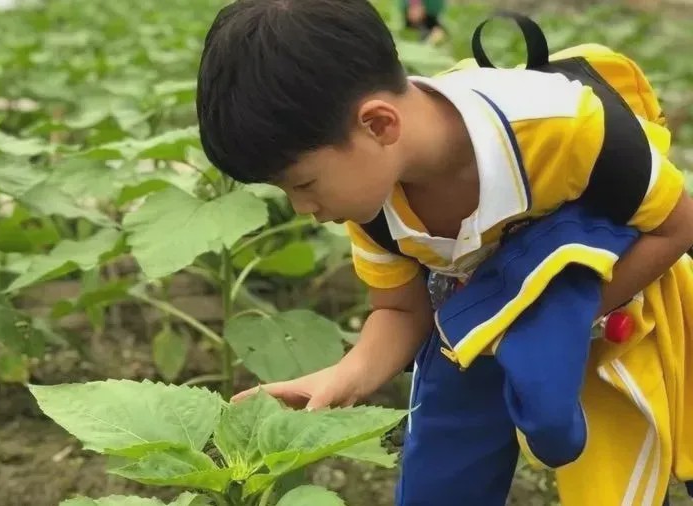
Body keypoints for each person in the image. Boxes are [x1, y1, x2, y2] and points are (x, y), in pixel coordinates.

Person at [195, 1, 693, 504]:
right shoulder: (375, 203)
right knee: (444, 475)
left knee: (608, 481)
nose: (303, 207)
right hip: (473, 311)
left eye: (302, 183)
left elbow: (676, 227)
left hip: (611, 293)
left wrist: (557, 315)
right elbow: (399, 309)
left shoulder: (563, 129)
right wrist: (347, 375)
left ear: (379, 125)